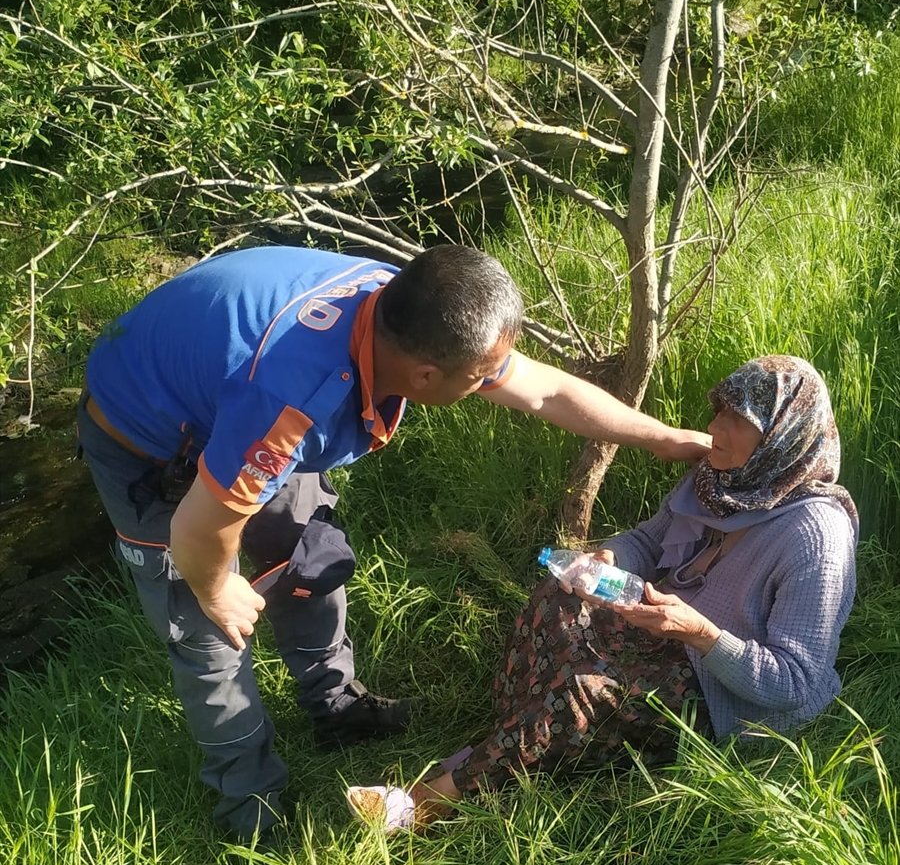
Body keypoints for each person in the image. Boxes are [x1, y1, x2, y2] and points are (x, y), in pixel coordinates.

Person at [77, 243, 709, 843]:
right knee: (210, 635)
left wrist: (664, 439)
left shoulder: (418, 308)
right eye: (481, 378)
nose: (492, 384)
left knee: (308, 562)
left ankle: (336, 709)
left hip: (232, 400)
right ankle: (252, 808)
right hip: (154, 443)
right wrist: (217, 587)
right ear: (427, 375)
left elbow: (548, 390)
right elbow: (196, 529)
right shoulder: (291, 399)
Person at [348, 355, 858, 833]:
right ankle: (520, 736)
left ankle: (428, 800)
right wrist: (609, 558)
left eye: (737, 420)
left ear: (781, 436)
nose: (715, 428)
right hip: (671, 632)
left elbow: (795, 681)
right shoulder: (724, 478)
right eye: (718, 411)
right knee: (560, 597)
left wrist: (701, 633)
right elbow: (647, 539)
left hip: (725, 692)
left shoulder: (816, 537)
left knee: (582, 692)